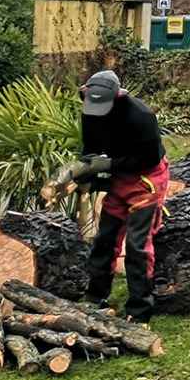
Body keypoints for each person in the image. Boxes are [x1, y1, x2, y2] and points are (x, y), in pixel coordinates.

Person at [71, 69, 168, 322]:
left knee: (137, 246)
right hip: (119, 179)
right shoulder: (90, 110)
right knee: (105, 239)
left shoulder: (141, 116)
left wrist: (108, 165)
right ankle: (95, 296)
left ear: (118, 97)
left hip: (146, 181)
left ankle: (140, 310)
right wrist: (87, 170)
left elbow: (148, 158)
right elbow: (91, 147)